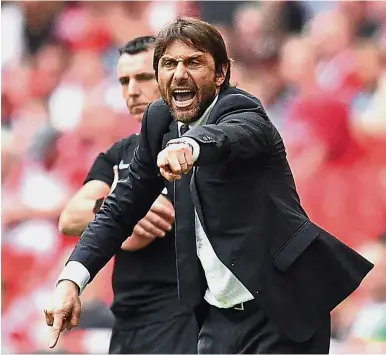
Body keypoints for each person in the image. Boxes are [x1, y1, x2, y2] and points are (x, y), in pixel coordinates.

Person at [45, 18, 373, 353]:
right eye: (169, 64)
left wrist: (189, 148)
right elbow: (120, 208)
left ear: (220, 74)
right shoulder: (159, 120)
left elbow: (230, 135)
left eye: (194, 62)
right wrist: (71, 281)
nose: (180, 73)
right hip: (217, 318)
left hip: (281, 304)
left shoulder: (241, 107)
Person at [55, 36, 199, 354]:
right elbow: (69, 218)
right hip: (126, 319)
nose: (132, 90)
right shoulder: (119, 153)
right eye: (124, 81)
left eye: (143, 78)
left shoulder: (196, 143)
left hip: (183, 316)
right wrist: (122, 208)